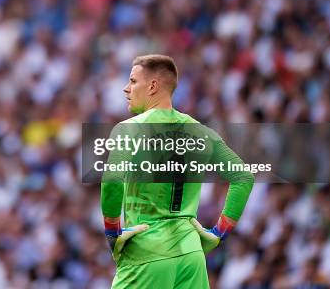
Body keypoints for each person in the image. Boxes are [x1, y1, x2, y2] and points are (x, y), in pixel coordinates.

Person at [100, 54, 255, 288]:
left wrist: (113, 234)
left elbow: (112, 181)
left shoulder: (129, 130)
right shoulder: (202, 132)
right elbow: (243, 176)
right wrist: (218, 232)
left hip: (146, 252)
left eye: (132, 81)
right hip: (191, 254)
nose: (126, 88)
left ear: (152, 86)